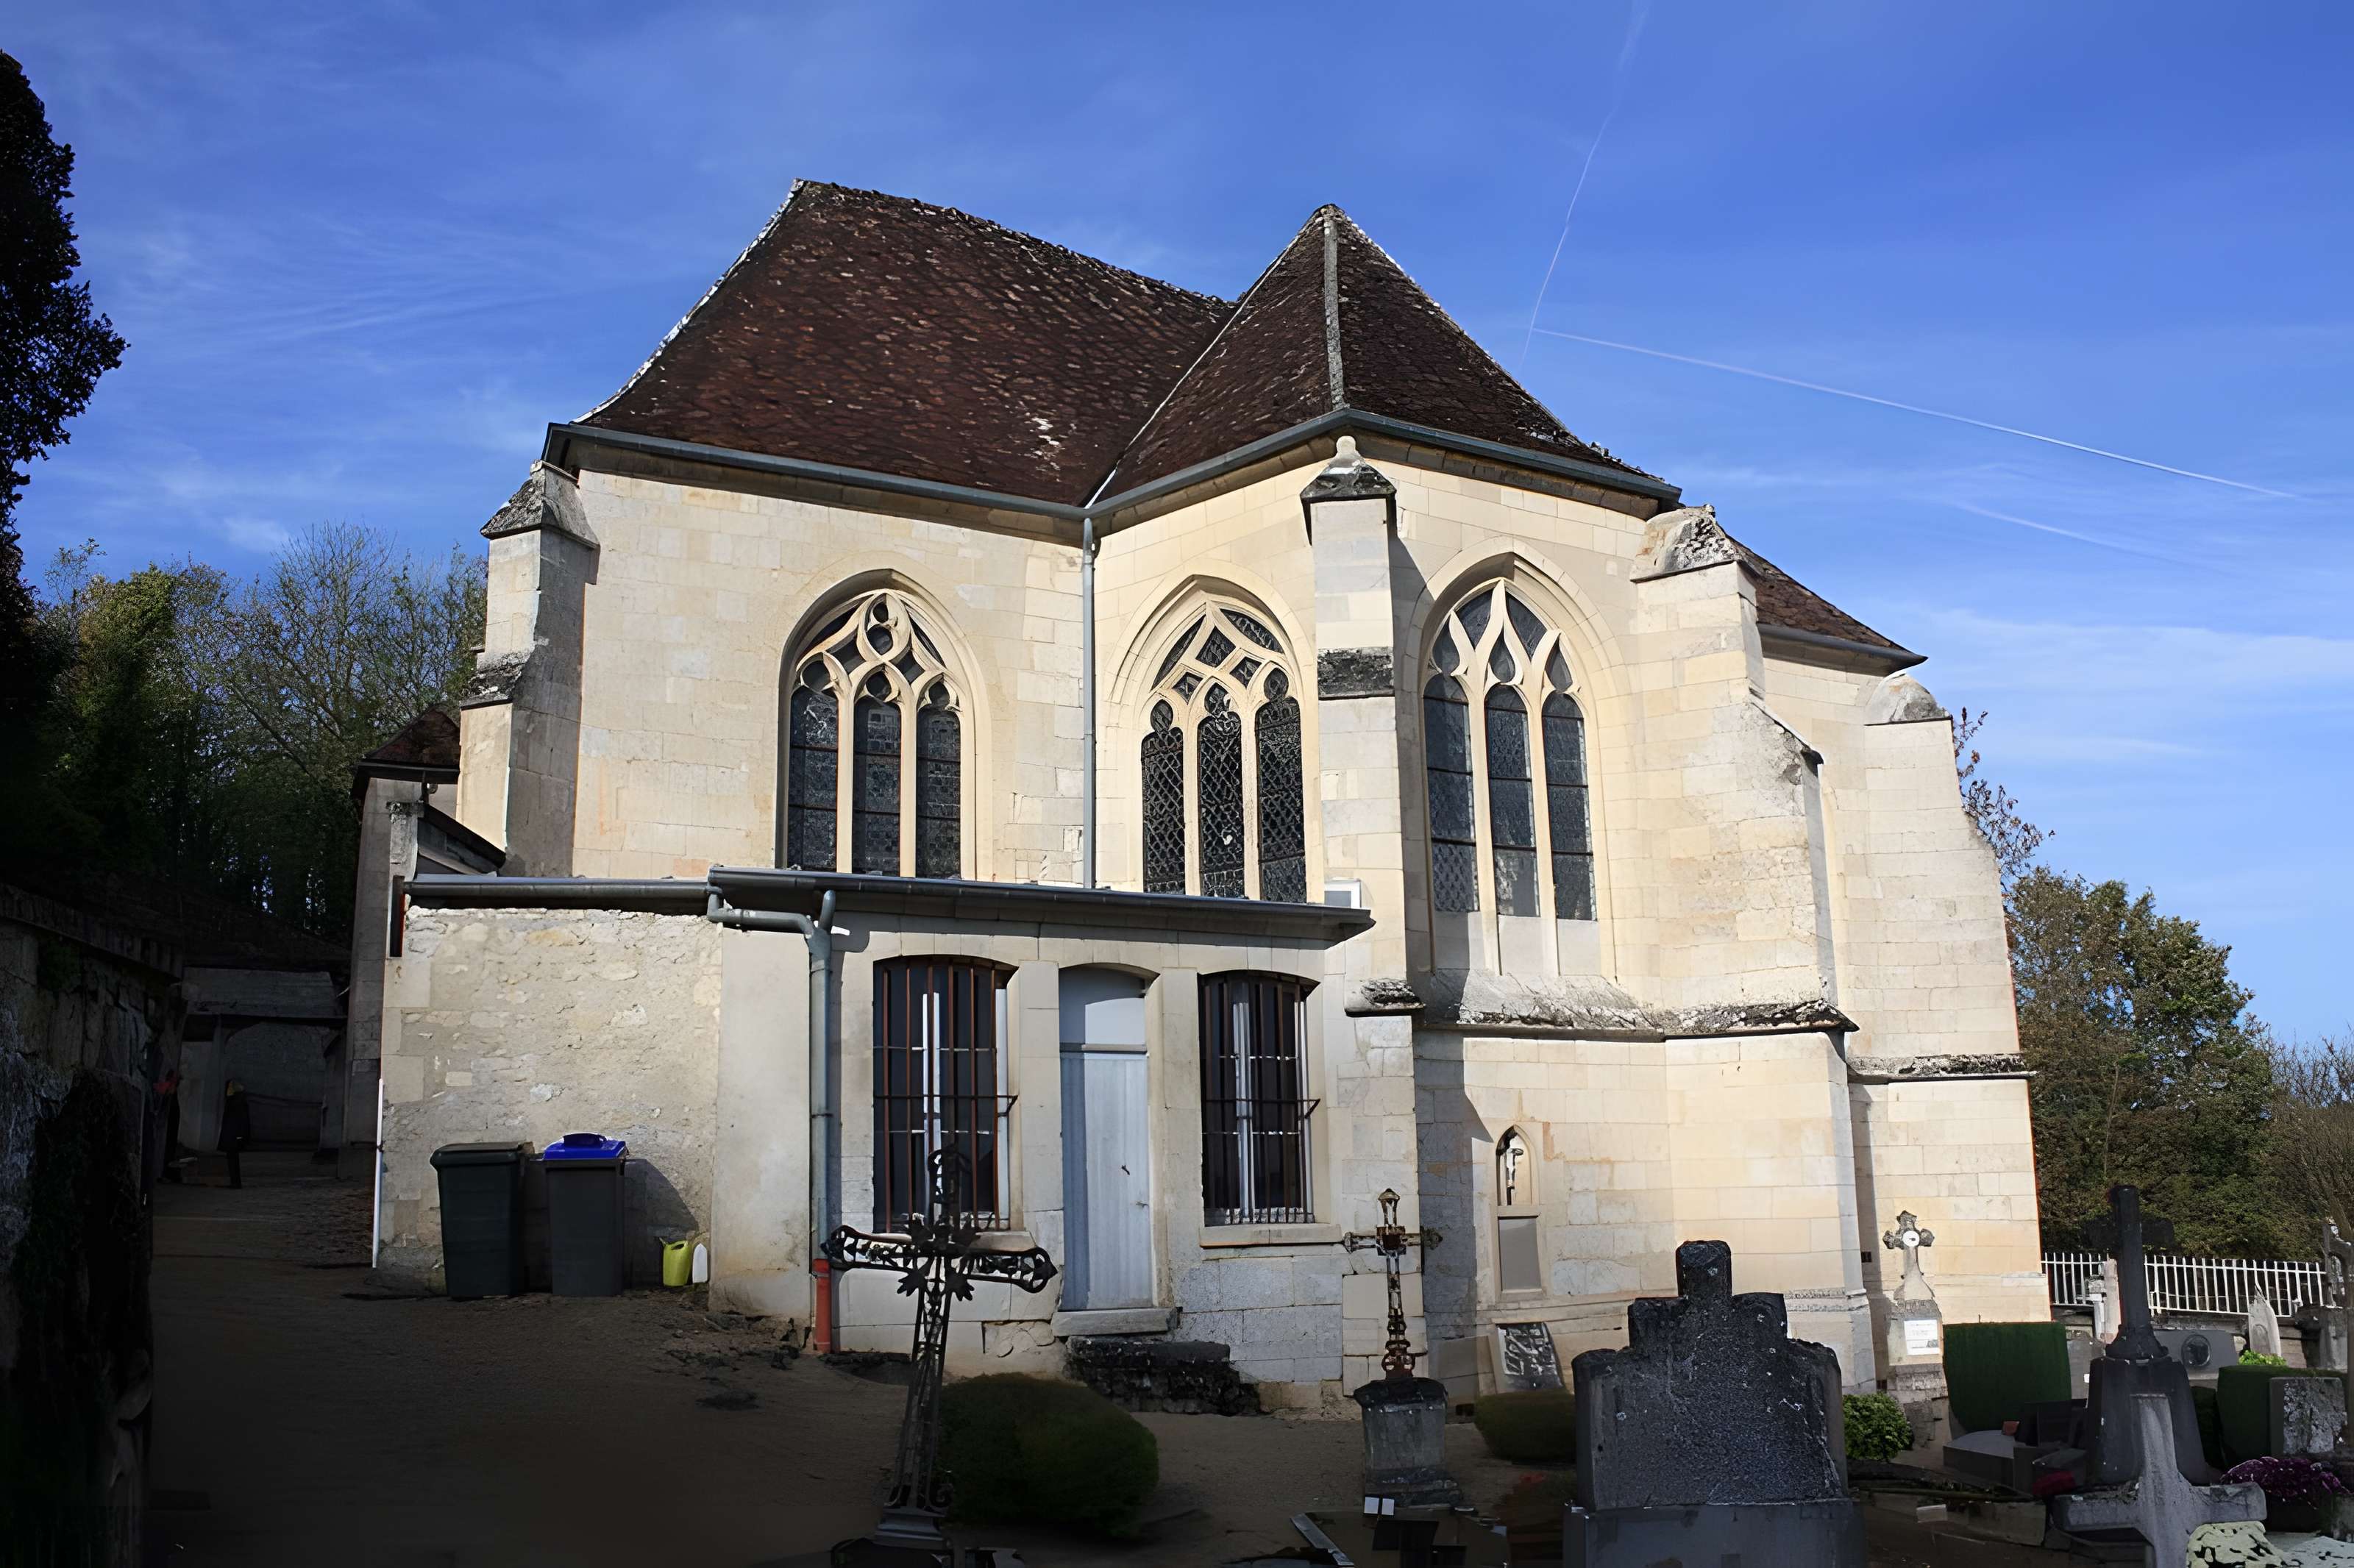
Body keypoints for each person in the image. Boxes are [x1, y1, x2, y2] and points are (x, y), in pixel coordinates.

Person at [219, 1080, 252, 1189]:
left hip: (233, 1134)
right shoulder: (238, 1100)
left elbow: (240, 1119)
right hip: (233, 1134)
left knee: (233, 1159)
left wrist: (240, 1134)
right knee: (233, 1159)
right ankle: (235, 1182)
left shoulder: (237, 1101)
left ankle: (235, 1182)